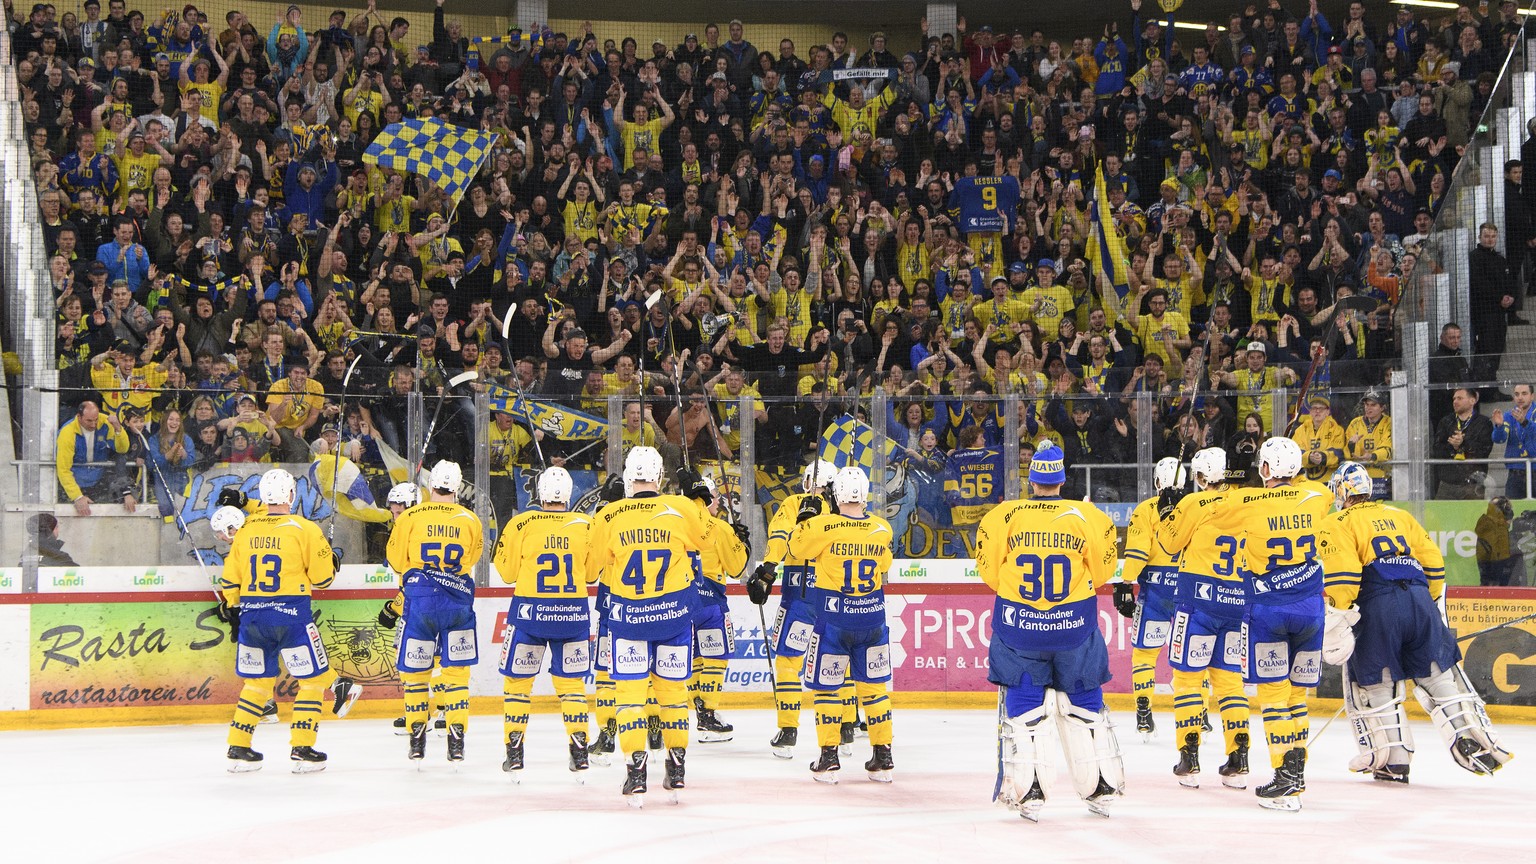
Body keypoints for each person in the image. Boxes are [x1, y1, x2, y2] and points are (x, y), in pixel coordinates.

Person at [1319, 462, 1513, 782]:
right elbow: (1434, 563)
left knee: (1377, 680)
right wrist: (1429, 603)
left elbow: (1344, 576)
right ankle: (1467, 733)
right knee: (1436, 673)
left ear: (1341, 492)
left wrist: (1339, 613)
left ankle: (1393, 760)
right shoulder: (1400, 516)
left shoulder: (1336, 521)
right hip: (1420, 596)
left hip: (1376, 602)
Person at [978, 441, 1123, 821]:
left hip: (1020, 631)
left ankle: (1032, 792)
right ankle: (1100, 787)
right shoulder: (1088, 516)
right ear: (1062, 478)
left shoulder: (1004, 516)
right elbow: (1104, 572)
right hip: (1074, 629)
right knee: (1083, 705)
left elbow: (989, 574)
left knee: (1026, 708)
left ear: (1032, 479)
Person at [586, 447, 708, 805]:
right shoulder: (680, 508)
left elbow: (592, 570)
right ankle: (677, 767)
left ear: (626, 476)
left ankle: (636, 773)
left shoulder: (610, 515)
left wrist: (602, 513)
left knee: (630, 700)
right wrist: (696, 496)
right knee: (672, 697)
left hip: (628, 622)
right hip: (672, 619)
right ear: (659, 475)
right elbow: (706, 540)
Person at [216, 468, 342, 773]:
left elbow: (229, 580)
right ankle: (302, 747)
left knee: (256, 685)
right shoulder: (304, 528)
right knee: (311, 681)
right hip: (291, 616)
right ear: (290, 495)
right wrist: (332, 562)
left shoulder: (245, 529)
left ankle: (238, 748)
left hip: (253, 616)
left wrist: (234, 608)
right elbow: (323, 580)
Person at [1234, 437, 1333, 811]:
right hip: (1311, 611)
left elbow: (1216, 505)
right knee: (1297, 698)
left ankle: (1285, 777)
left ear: (1264, 470)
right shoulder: (1317, 497)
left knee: (1273, 697)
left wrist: (1241, 471)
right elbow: (1308, 490)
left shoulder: (1248, 503)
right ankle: (1298, 772)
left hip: (1269, 611)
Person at [787, 466, 896, 783]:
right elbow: (885, 563)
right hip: (872, 620)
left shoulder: (823, 525)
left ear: (835, 495)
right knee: (875, 691)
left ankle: (829, 757)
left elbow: (797, 548)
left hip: (834, 623)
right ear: (865, 495)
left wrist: (806, 519)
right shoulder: (881, 527)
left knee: (826, 690)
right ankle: (883, 756)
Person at [746, 459, 858, 757]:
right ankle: (846, 729)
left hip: (801, 596)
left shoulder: (796, 502)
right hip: (835, 598)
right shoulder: (847, 512)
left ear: (808, 480)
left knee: (788, 662)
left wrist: (767, 570)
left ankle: (788, 731)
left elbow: (780, 536)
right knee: (838, 661)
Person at [492, 466, 595, 780]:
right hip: (573, 615)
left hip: (530, 615)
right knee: (572, 688)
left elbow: (507, 573)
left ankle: (515, 753)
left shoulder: (521, 522)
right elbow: (591, 575)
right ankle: (579, 753)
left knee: (517, 687)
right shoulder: (586, 525)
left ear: (538, 492)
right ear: (568, 494)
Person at [1159, 447, 1253, 790]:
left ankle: (1190, 757)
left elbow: (1170, 543)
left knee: (1186, 681)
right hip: (1236, 602)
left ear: (1199, 478)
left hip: (1197, 604)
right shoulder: (1243, 501)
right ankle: (1239, 759)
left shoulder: (1192, 504)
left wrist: (1167, 507)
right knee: (1229, 684)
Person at [383, 460, 485, 763]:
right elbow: (472, 558)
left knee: (416, 675)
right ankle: (456, 740)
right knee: (456, 676)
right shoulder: (470, 519)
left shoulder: (410, 517)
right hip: (457, 602)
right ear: (458, 487)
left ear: (430, 486)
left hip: (421, 603)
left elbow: (397, 562)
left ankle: (417, 740)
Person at [1113, 457, 1194, 740]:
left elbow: (1137, 550)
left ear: (1158, 481)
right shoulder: (1195, 506)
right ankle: (1200, 714)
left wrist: (1125, 583)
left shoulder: (1146, 509)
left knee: (1145, 655)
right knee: (1192, 657)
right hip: (1189, 588)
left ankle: (1144, 709)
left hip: (1157, 590)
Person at [688, 475, 750, 742]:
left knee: (692, 660)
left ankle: (697, 707)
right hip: (711, 602)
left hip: (681, 599)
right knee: (716, 658)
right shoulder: (720, 527)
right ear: (709, 498)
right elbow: (737, 568)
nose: (718, 504)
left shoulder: (677, 522)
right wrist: (742, 544)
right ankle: (708, 714)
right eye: (715, 498)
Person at [1431, 388, 1494, 499]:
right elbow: (1436, 449)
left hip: (1473, 483)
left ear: (1472, 401)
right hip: (1447, 482)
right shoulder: (1446, 422)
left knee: (1473, 516)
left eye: (1459, 398)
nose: (1455, 401)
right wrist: (1453, 447)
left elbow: (1484, 450)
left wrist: (1463, 444)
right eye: (1454, 398)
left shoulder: (1484, 423)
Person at [1343, 389, 1394, 499]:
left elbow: (1387, 448)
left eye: (1373, 405)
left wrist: (1372, 456)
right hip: (1359, 479)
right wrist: (1351, 445)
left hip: (1382, 479)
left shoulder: (1389, 423)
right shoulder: (1355, 424)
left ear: (1382, 407)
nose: (1368, 408)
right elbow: (1347, 453)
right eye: (1367, 404)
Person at [1491, 383, 1536, 499]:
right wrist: (1499, 426)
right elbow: (1499, 439)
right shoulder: (1508, 416)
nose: (1520, 397)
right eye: (1517, 394)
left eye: (1524, 393)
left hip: (1535, 470)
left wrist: (1524, 422)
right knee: (1512, 512)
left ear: (1532, 396)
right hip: (1515, 474)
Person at [1475, 497, 1517, 586]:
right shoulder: (1498, 531)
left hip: (1489, 580)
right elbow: (1498, 560)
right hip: (1496, 584)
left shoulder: (1486, 525)